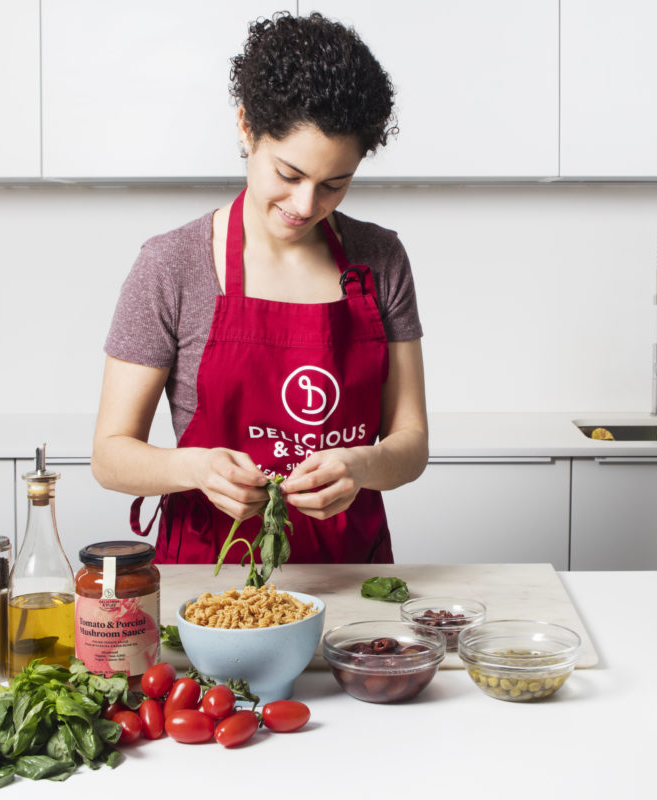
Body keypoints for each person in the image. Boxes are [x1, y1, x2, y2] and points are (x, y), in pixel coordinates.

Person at [92, 12, 428, 565]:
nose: (305, 206)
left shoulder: (380, 259)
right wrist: (195, 468)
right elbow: (109, 456)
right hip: (210, 582)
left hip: (348, 577)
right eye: (289, 175)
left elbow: (411, 442)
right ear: (247, 126)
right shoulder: (172, 265)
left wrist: (362, 466)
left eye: (333, 185)